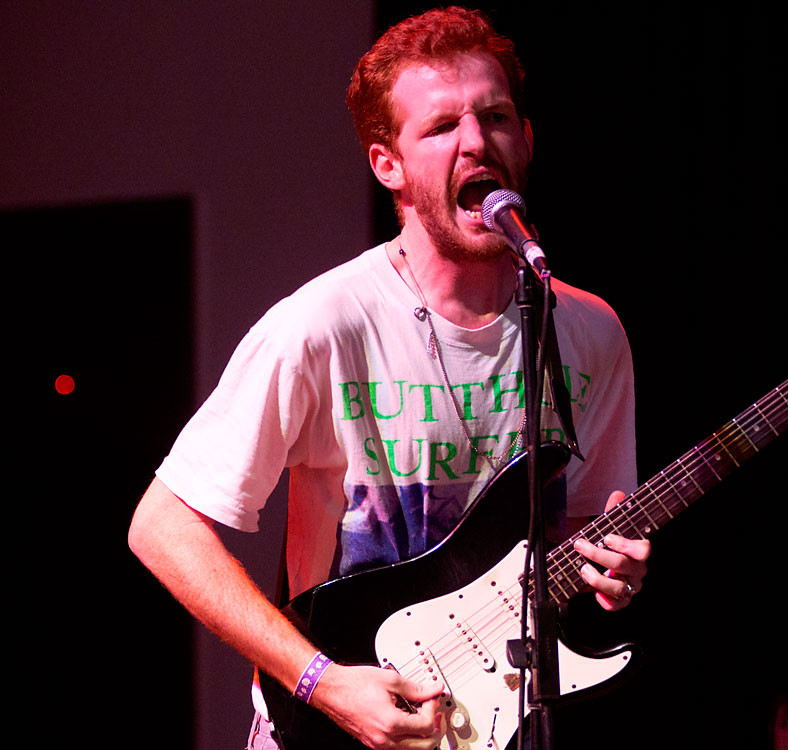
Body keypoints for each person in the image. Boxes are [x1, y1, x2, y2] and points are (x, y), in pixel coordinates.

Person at [128, 7, 650, 750]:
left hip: (498, 722)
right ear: (388, 166)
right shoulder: (321, 326)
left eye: (495, 116)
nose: (476, 141)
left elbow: (577, 536)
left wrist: (609, 573)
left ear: (526, 140)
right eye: (440, 127)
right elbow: (162, 527)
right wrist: (323, 682)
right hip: (332, 724)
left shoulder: (588, 331)